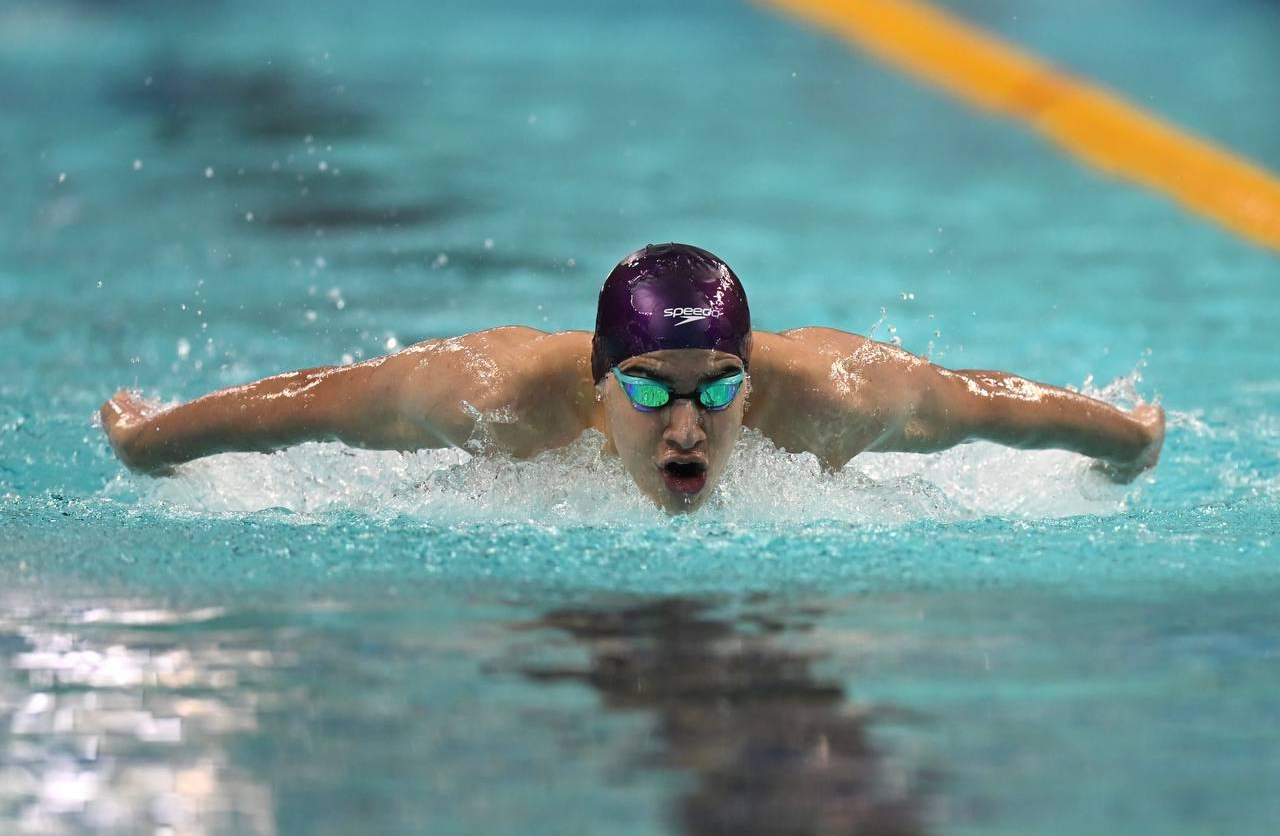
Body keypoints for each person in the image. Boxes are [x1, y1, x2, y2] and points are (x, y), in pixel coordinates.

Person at [100, 243, 1165, 513]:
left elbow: (980, 404)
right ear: (597, 378)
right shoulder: (499, 395)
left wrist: (1124, 441)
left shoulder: (831, 399)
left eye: (718, 389)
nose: (687, 425)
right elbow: (315, 404)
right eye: (651, 389)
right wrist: (153, 441)